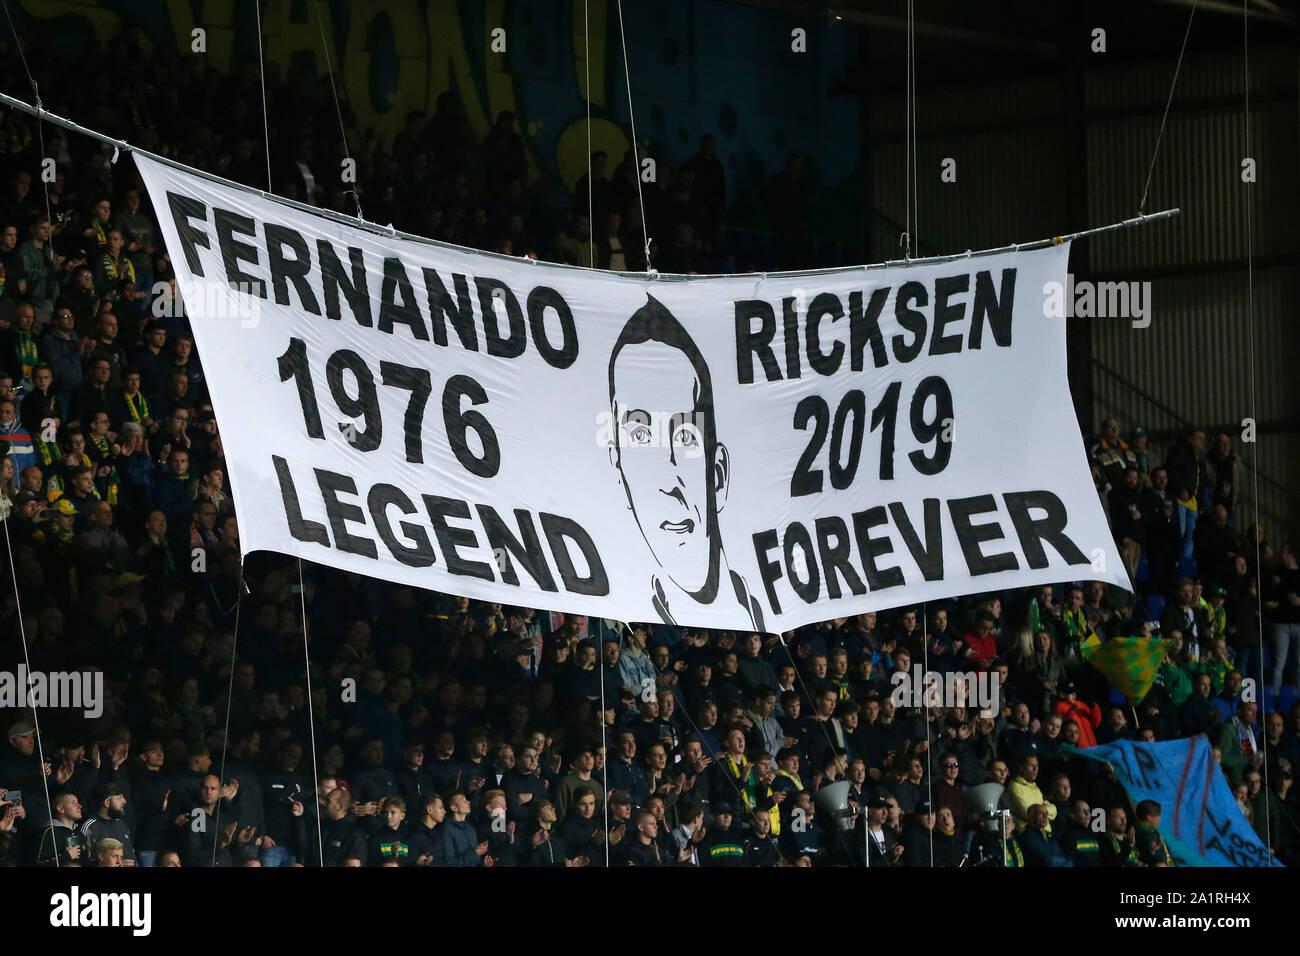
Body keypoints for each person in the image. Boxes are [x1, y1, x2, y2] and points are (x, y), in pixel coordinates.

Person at [605, 295, 764, 629]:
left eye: (685, 437)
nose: (667, 483)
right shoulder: (628, 614)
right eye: (640, 437)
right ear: (618, 470)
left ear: (718, 475)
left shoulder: (762, 604)